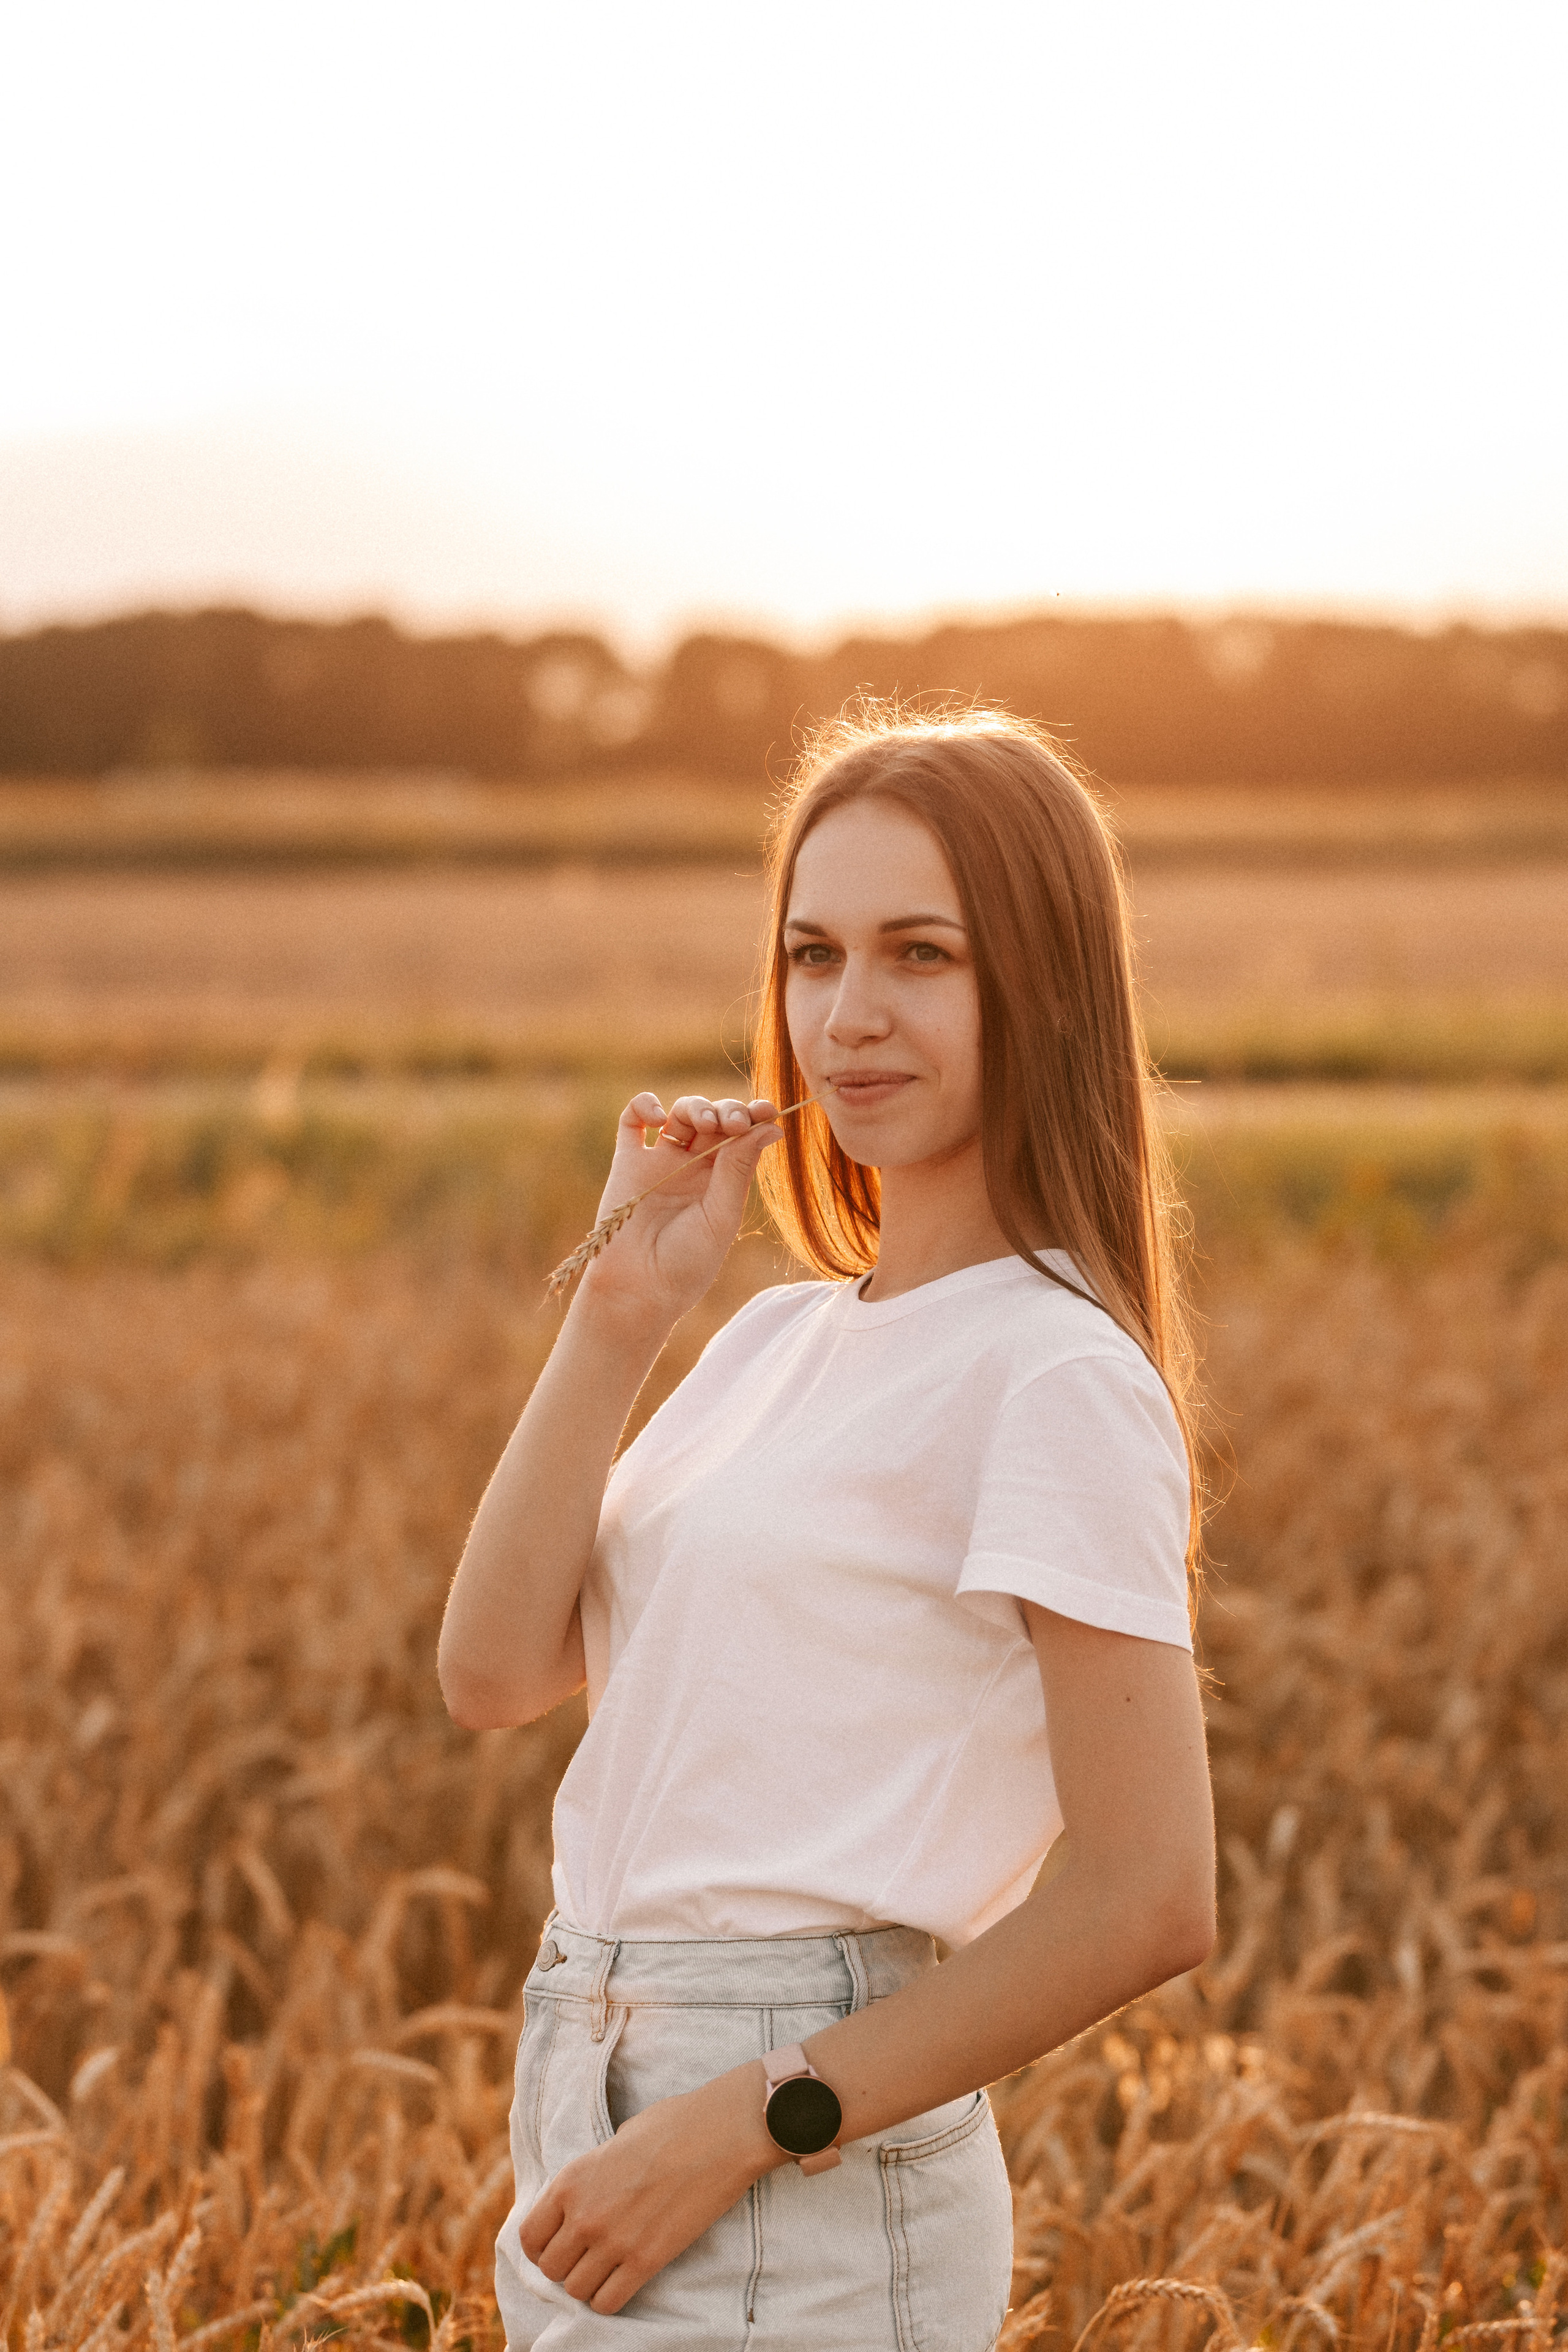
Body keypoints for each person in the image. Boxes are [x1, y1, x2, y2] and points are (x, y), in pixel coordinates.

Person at [437, 707, 1218, 2350]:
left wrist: (750, 2118)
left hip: (794, 2138)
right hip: (594, 2066)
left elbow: (1150, 1893)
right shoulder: (775, 1342)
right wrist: (617, 1314)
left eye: (919, 955)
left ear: (1047, 985)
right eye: (811, 955)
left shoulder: (1053, 1369)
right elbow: (494, 1673)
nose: (846, 1018)